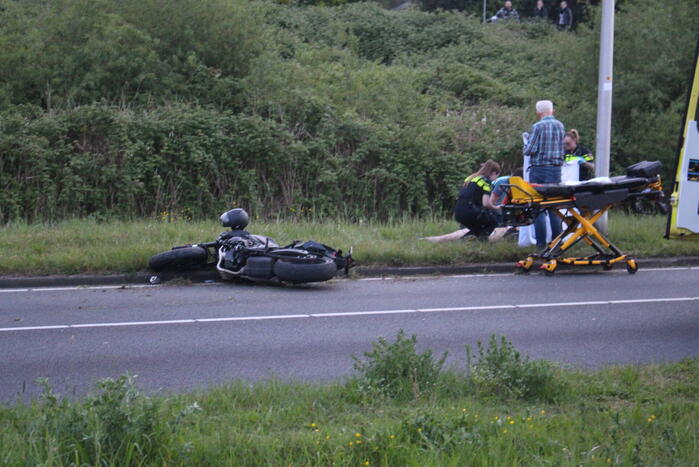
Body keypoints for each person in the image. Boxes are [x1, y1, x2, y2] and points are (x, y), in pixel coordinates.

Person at [523, 100, 565, 249]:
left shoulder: (537, 126)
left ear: (538, 113)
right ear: (552, 111)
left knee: (538, 206)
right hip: (556, 170)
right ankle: (557, 242)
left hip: (540, 169)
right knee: (554, 206)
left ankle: (541, 244)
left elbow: (530, 150)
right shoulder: (560, 125)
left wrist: (526, 143)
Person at [453, 159, 503, 240]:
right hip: (470, 212)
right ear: (494, 173)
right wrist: (496, 207)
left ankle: (465, 241)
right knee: (493, 221)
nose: (495, 179)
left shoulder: (471, 178)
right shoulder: (486, 182)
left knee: (478, 229)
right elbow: (486, 203)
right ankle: (481, 242)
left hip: (458, 212)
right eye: (497, 176)